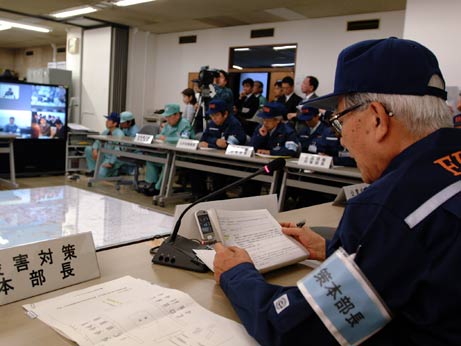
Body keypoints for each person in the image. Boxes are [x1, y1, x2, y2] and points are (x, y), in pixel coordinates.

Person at [213, 37, 461, 345]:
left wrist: (236, 274)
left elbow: (298, 330)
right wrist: (334, 251)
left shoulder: (386, 208)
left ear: (377, 118)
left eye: (340, 122)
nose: (342, 141)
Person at [191, 99, 246, 200]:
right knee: (195, 166)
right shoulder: (212, 123)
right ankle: (200, 195)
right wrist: (215, 142)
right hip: (213, 156)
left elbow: (228, 145)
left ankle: (217, 197)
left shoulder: (234, 124)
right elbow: (204, 140)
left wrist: (211, 144)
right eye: (211, 116)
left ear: (225, 114)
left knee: (218, 171)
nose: (213, 118)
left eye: (216, 115)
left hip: (231, 161)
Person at [142, 104, 194, 196]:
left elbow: (185, 140)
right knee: (151, 158)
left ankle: (159, 188)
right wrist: (162, 138)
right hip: (166, 153)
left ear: (177, 115)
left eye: (169, 116)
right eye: (166, 116)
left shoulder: (185, 124)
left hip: (182, 156)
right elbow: (159, 136)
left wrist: (166, 139)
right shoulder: (168, 125)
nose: (167, 119)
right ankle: (150, 184)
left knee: (168, 162)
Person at [84, 112, 125, 177]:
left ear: (115, 123)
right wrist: (94, 150)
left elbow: (118, 151)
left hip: (112, 159)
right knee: (88, 149)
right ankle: (93, 170)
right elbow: (98, 141)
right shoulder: (106, 131)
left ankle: (115, 171)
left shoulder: (119, 134)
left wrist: (111, 163)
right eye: (107, 120)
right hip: (104, 156)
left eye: (109, 120)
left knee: (101, 175)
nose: (106, 121)